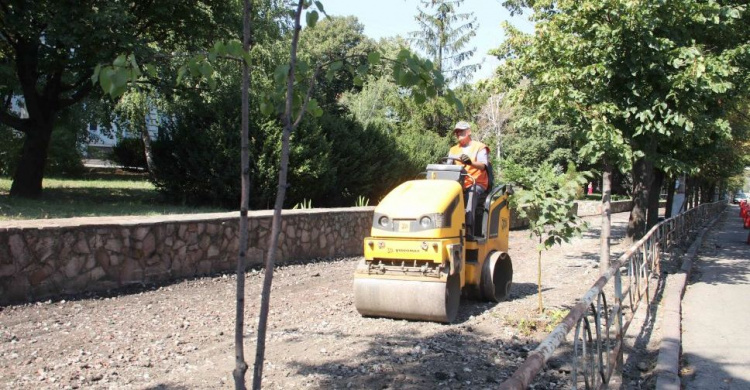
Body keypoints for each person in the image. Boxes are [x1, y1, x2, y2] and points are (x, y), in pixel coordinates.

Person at [448, 121, 490, 237]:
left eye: (461, 131)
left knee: (471, 195)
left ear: (469, 132)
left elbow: (483, 166)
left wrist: (470, 162)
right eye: (456, 132)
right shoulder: (453, 150)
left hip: (476, 183)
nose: (458, 134)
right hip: (458, 184)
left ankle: (469, 232)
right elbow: (448, 166)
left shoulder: (480, 147)